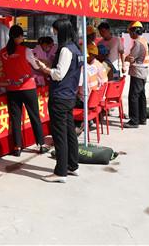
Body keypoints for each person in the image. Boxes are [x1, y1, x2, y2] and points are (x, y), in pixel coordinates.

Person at [36, 19, 83, 183]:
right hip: (69, 95)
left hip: (60, 96)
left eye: (55, 30)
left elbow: (58, 74)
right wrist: (50, 64)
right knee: (70, 132)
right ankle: (72, 165)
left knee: (59, 135)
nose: (54, 33)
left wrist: (45, 69)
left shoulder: (65, 49)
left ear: (61, 31)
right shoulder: (76, 49)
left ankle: (60, 172)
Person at [0, 25, 47, 157]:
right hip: (27, 87)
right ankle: (41, 144)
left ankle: (17, 147)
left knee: (15, 119)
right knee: (34, 116)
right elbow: (35, 66)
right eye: (22, 36)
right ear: (19, 36)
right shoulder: (25, 50)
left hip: (12, 88)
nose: (23, 38)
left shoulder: (2, 52)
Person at [123, 21, 149, 129]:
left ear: (135, 31)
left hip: (138, 72)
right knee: (141, 95)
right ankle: (142, 118)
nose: (129, 34)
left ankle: (134, 120)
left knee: (133, 96)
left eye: (130, 32)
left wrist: (125, 58)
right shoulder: (143, 40)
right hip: (143, 71)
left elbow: (131, 58)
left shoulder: (138, 43)